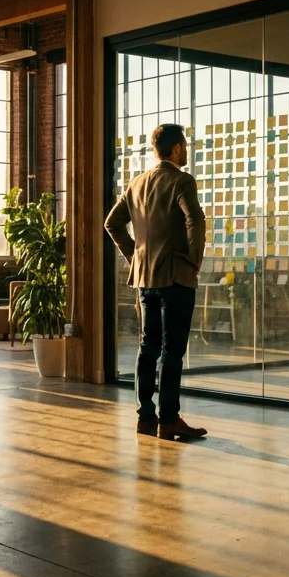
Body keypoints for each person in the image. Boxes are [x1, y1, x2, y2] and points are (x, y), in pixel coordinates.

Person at [105, 123, 208, 440]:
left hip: (145, 279)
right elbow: (195, 219)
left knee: (147, 346)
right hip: (175, 278)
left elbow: (113, 224)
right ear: (177, 148)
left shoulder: (136, 184)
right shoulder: (181, 180)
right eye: (186, 145)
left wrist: (133, 256)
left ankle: (145, 417)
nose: (187, 150)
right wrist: (194, 258)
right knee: (172, 351)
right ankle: (170, 419)